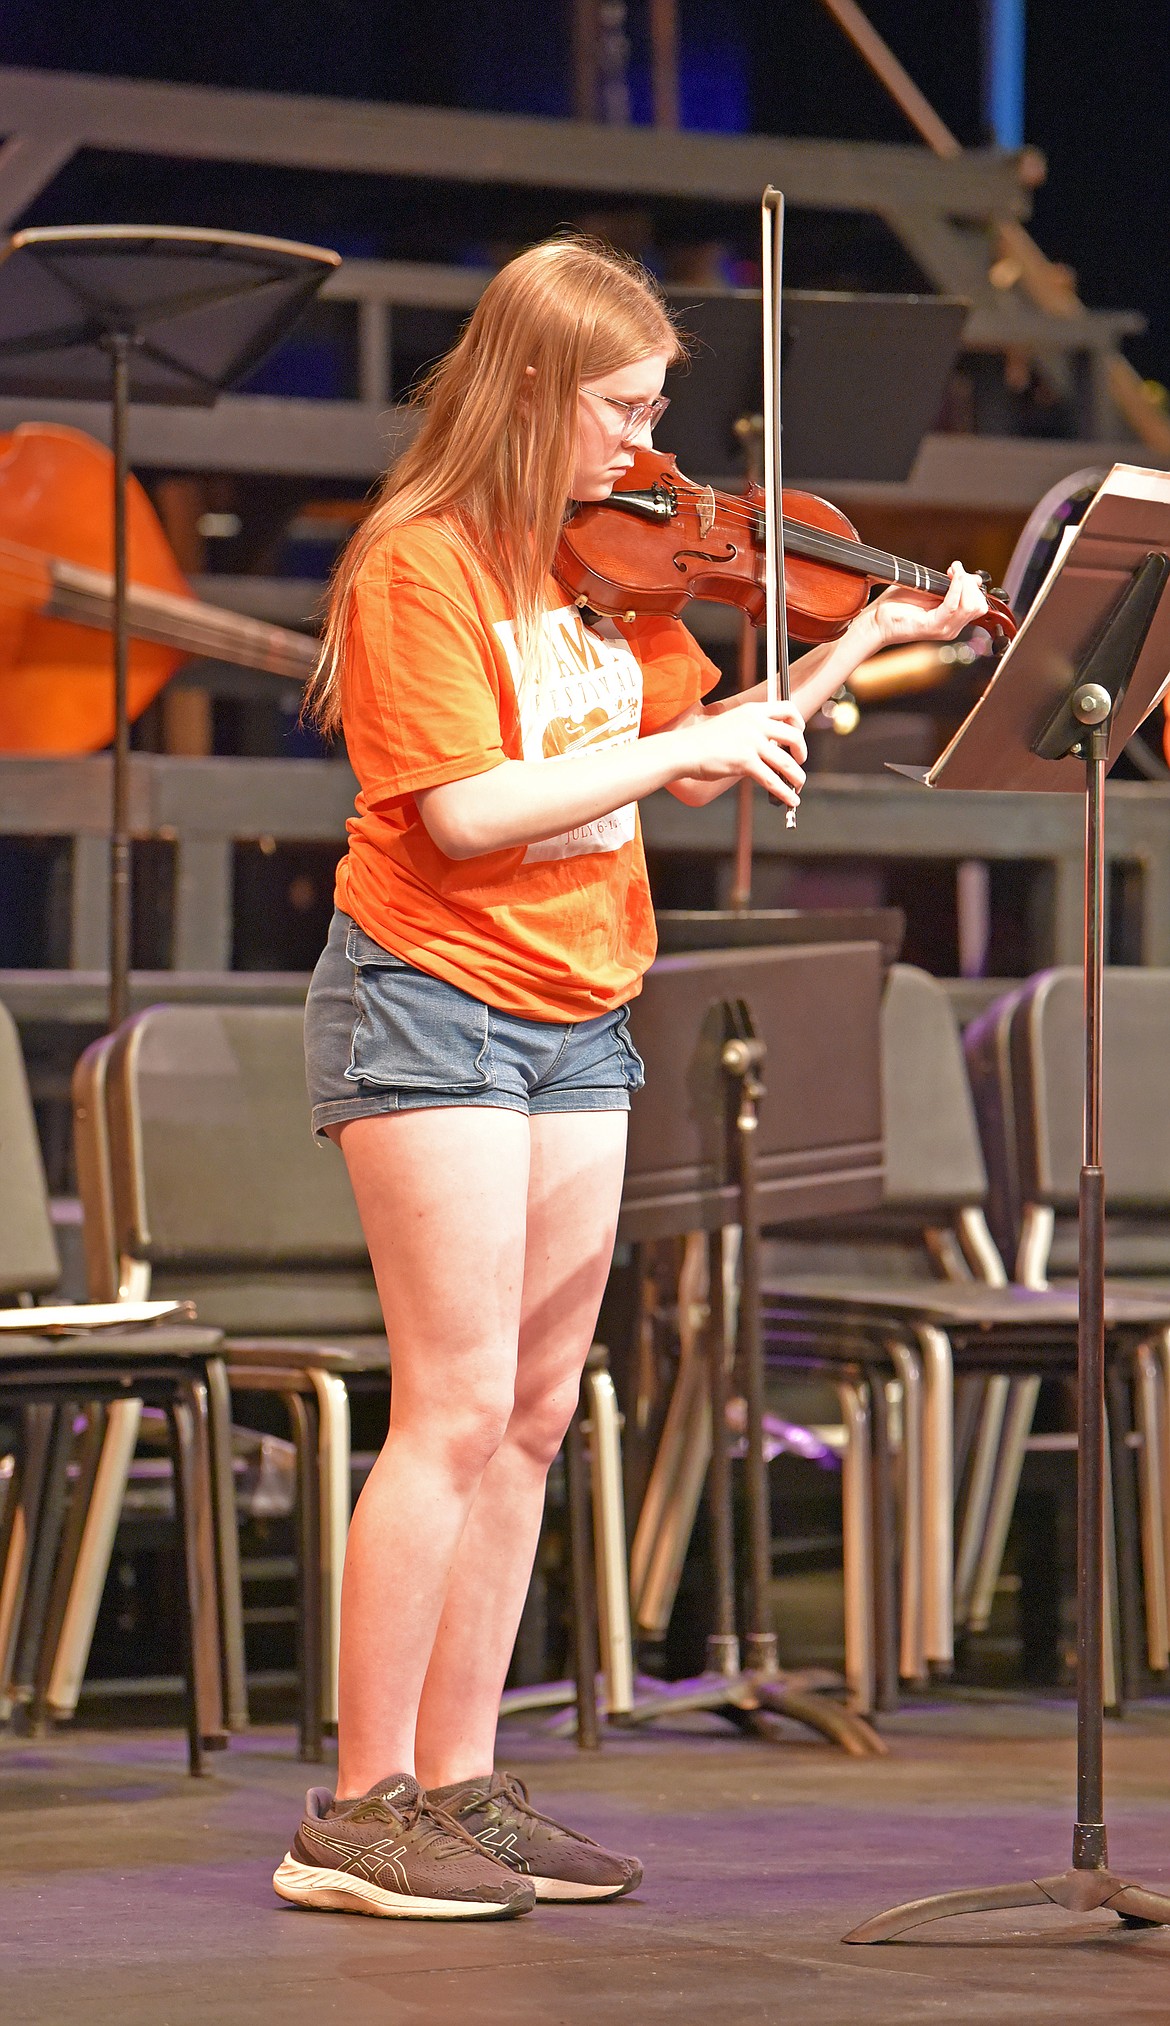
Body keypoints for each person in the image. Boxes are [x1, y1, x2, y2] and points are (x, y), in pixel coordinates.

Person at [273, 236, 988, 1922]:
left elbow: (706, 738)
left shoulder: (612, 577)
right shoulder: (420, 567)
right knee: (446, 1408)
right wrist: (676, 741)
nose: (649, 450)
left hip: (583, 1007)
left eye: (658, 409)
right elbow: (465, 813)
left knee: (529, 1414)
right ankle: (353, 1809)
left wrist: (863, 646)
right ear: (529, 391)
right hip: (429, 997)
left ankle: (457, 1784)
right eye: (621, 409)